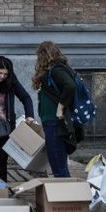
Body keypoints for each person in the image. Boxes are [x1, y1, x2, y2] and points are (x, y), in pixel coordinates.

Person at [32, 41, 77, 178]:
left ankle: (64, 196)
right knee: (58, 162)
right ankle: (64, 193)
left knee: (57, 163)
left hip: (54, 122)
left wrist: (60, 108)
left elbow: (70, 86)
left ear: (44, 56)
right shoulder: (55, 70)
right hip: (51, 121)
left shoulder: (56, 70)